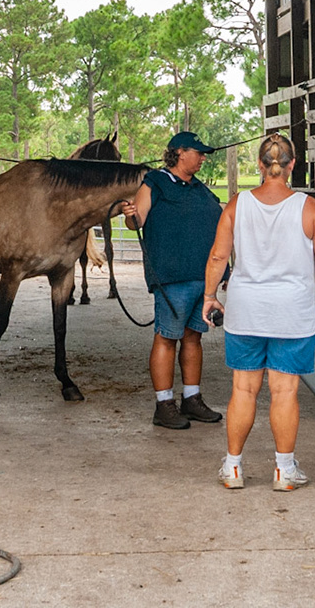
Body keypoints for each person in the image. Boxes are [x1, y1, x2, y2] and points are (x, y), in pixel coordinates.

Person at [202, 133, 315, 491]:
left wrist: (209, 295)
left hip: (247, 310)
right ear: (293, 165)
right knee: (284, 392)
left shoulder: (238, 205)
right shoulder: (308, 207)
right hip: (292, 312)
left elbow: (219, 256)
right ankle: (284, 471)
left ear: (260, 166)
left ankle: (233, 468)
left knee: (244, 390)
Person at [120, 131, 224, 430]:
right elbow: (136, 218)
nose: (203, 158)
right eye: (199, 153)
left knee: (194, 337)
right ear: (180, 152)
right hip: (172, 276)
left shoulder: (200, 189)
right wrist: (129, 215)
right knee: (167, 337)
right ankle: (164, 405)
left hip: (202, 278)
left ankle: (191, 399)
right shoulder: (156, 182)